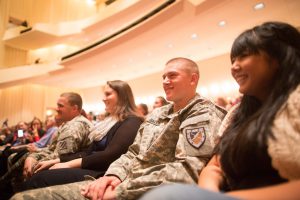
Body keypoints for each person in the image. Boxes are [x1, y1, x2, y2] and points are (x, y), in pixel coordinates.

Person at [11, 57, 227, 200]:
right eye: (163, 76)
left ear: (193, 79)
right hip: (120, 182)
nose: (165, 81)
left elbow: (188, 169)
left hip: (145, 191)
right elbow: (132, 154)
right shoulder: (158, 114)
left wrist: (122, 188)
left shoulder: (202, 113)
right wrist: (112, 176)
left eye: (172, 75)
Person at [139, 21, 300, 200]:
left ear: (277, 58)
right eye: (233, 60)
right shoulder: (238, 113)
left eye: (243, 56)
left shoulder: (295, 103)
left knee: (166, 196)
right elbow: (214, 167)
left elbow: (190, 166)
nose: (234, 67)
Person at [24, 80, 144, 189]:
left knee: (41, 178)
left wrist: (68, 165)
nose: (103, 98)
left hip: (103, 173)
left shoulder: (132, 121)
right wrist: (56, 161)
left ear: (122, 97)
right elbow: (87, 152)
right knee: (41, 172)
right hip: (92, 166)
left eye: (108, 94)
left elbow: (110, 155)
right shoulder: (111, 121)